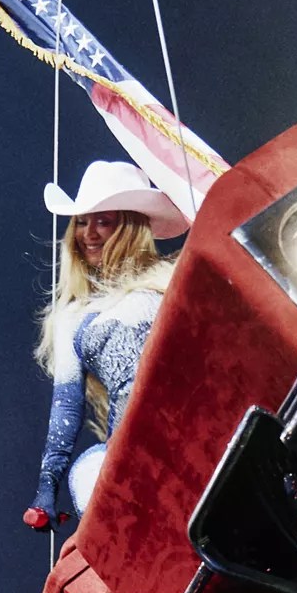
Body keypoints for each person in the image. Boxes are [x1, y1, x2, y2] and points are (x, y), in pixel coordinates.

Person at [23, 161, 181, 531]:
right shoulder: (74, 317)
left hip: (196, 419)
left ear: (129, 227)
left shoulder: (173, 276)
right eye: (81, 221)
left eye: (103, 221)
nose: (88, 233)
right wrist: (48, 485)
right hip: (132, 450)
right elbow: (67, 403)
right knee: (90, 473)